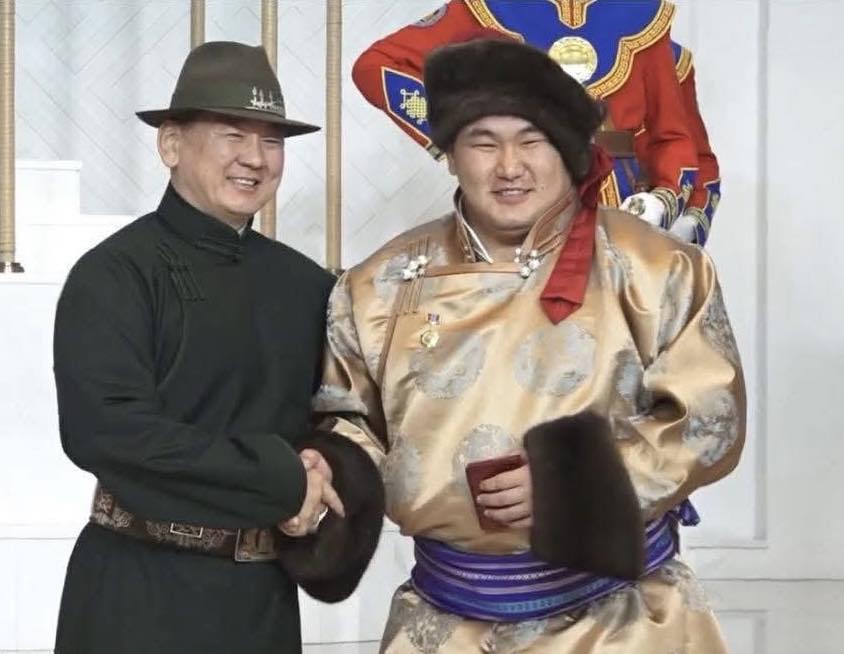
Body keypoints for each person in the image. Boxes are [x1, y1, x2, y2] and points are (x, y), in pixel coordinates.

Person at [315, 37, 745, 652]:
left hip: (623, 622)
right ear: (450, 156)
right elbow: (349, 422)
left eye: (533, 140)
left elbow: (710, 419)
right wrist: (321, 469)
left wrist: (576, 485)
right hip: (442, 625)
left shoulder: (658, 268)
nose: (509, 166)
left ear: (569, 151)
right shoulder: (378, 284)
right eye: (483, 143)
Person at [53, 41, 384, 654]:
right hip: (135, 594)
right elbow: (106, 431)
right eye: (233, 135)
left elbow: (340, 418)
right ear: (171, 145)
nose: (254, 158)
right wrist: (281, 476)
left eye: (272, 141)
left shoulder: (308, 285)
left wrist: (325, 467)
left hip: (263, 598)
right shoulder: (114, 274)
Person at [351, 0, 699, 231]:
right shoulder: (486, 6)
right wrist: (454, 132)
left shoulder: (644, 15)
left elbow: (671, 136)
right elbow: (374, 67)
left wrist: (663, 199)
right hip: (516, 191)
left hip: (618, 203)